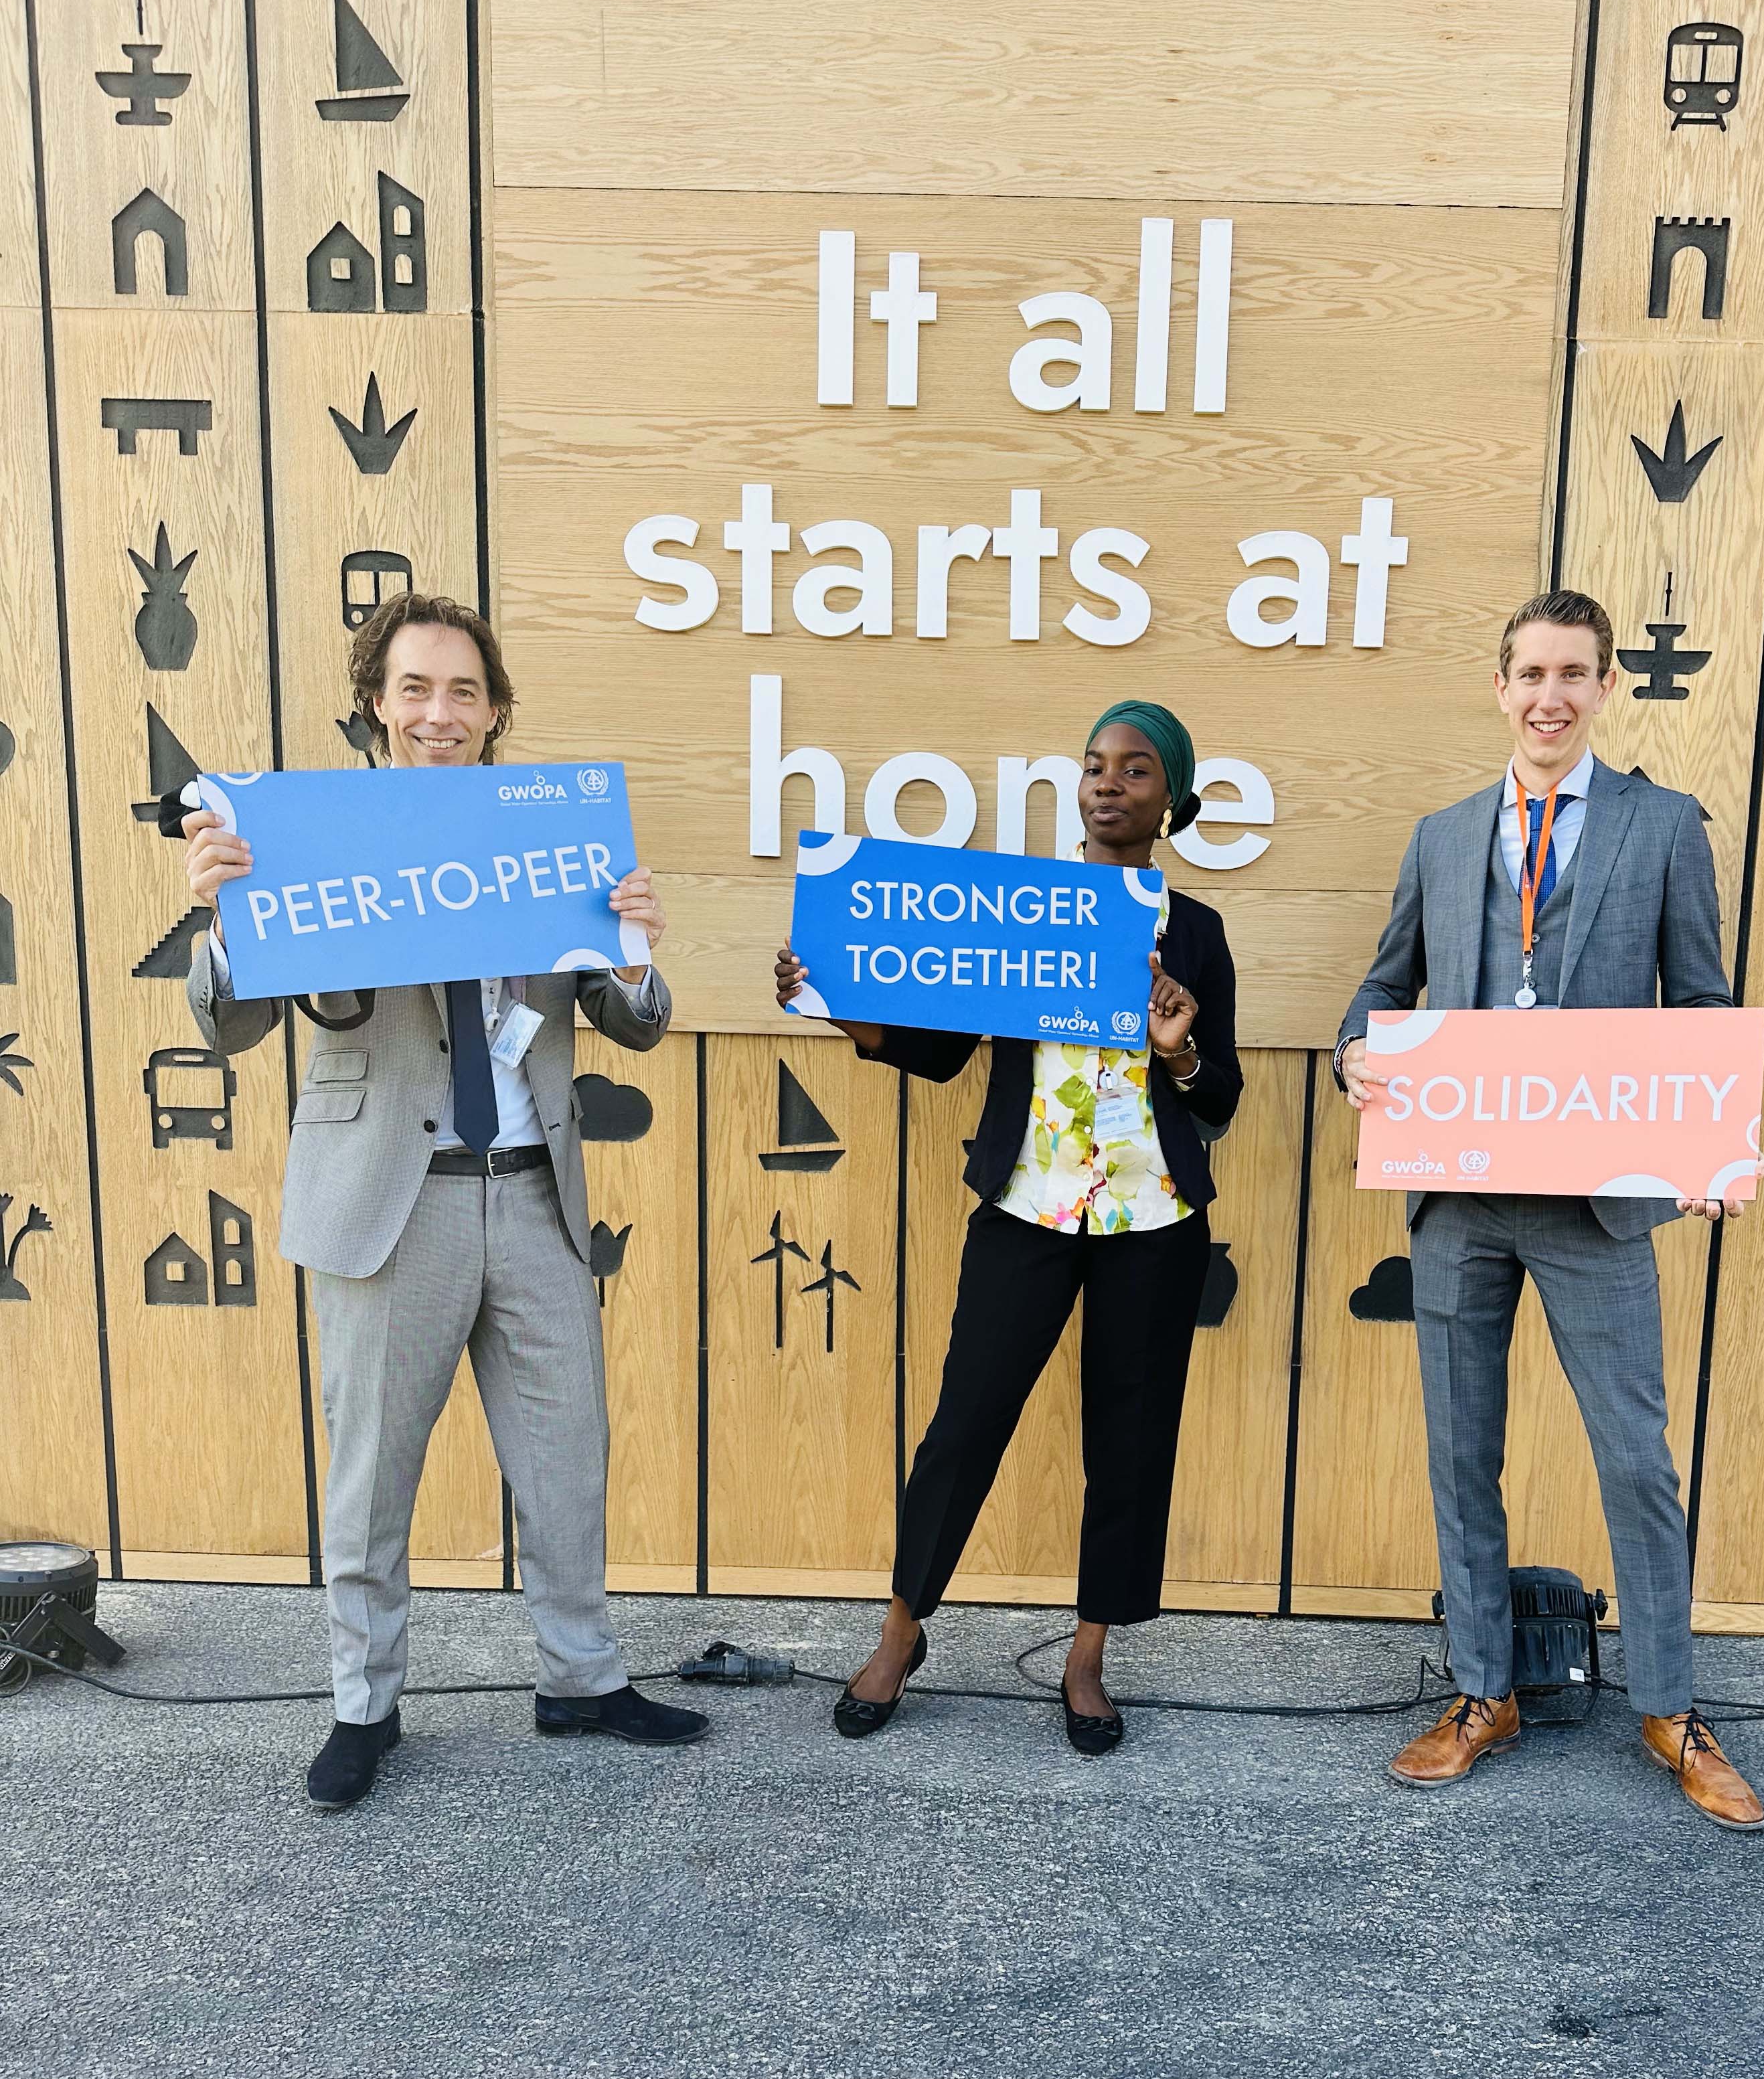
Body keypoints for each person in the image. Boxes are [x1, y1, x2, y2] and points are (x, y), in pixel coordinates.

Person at [178, 591, 708, 1811]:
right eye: (415, 688)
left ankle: (581, 1679)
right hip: (389, 1199)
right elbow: (234, 1024)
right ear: (377, 705)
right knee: (370, 1476)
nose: (439, 711)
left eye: (464, 690)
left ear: (495, 709)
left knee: (567, 1459)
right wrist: (224, 921)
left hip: (533, 1195)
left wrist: (635, 949)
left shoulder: (553, 837)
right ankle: (363, 1705)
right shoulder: (310, 837)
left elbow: (632, 1022)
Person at [1336, 590, 1764, 1831]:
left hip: (1597, 1206)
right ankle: (1484, 1691)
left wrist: (1706, 1141)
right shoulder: (1441, 834)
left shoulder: (1662, 825)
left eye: (1573, 673)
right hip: (1460, 1201)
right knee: (1459, 1454)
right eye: (1530, 673)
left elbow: (1700, 1004)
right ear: (1499, 686)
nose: (1549, 696)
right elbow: (1381, 986)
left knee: (1636, 1459)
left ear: (1605, 686)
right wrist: (1355, 1053)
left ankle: (1670, 1707)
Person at [776, 703, 1240, 1754]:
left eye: (1134, 769)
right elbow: (942, 1050)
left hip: (1152, 1217)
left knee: (1130, 1441)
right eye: (1094, 765)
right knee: (964, 1423)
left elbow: (1218, 1097)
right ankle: (901, 1633)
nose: (1108, 782)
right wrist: (834, 1003)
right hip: (1027, 1204)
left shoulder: (1196, 933)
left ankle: (1086, 1657)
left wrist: (1177, 1049)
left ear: (1170, 800)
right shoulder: (1025, 909)